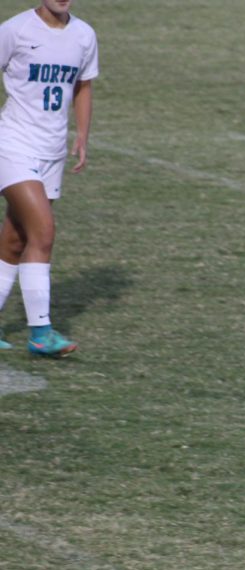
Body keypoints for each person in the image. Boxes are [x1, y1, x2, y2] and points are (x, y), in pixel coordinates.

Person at [0, 0, 97, 356]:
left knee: (15, 240)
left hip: (52, 151)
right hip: (12, 145)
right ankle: (41, 332)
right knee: (43, 230)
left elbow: (83, 85)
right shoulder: (16, 30)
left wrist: (82, 135)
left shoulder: (84, 35)